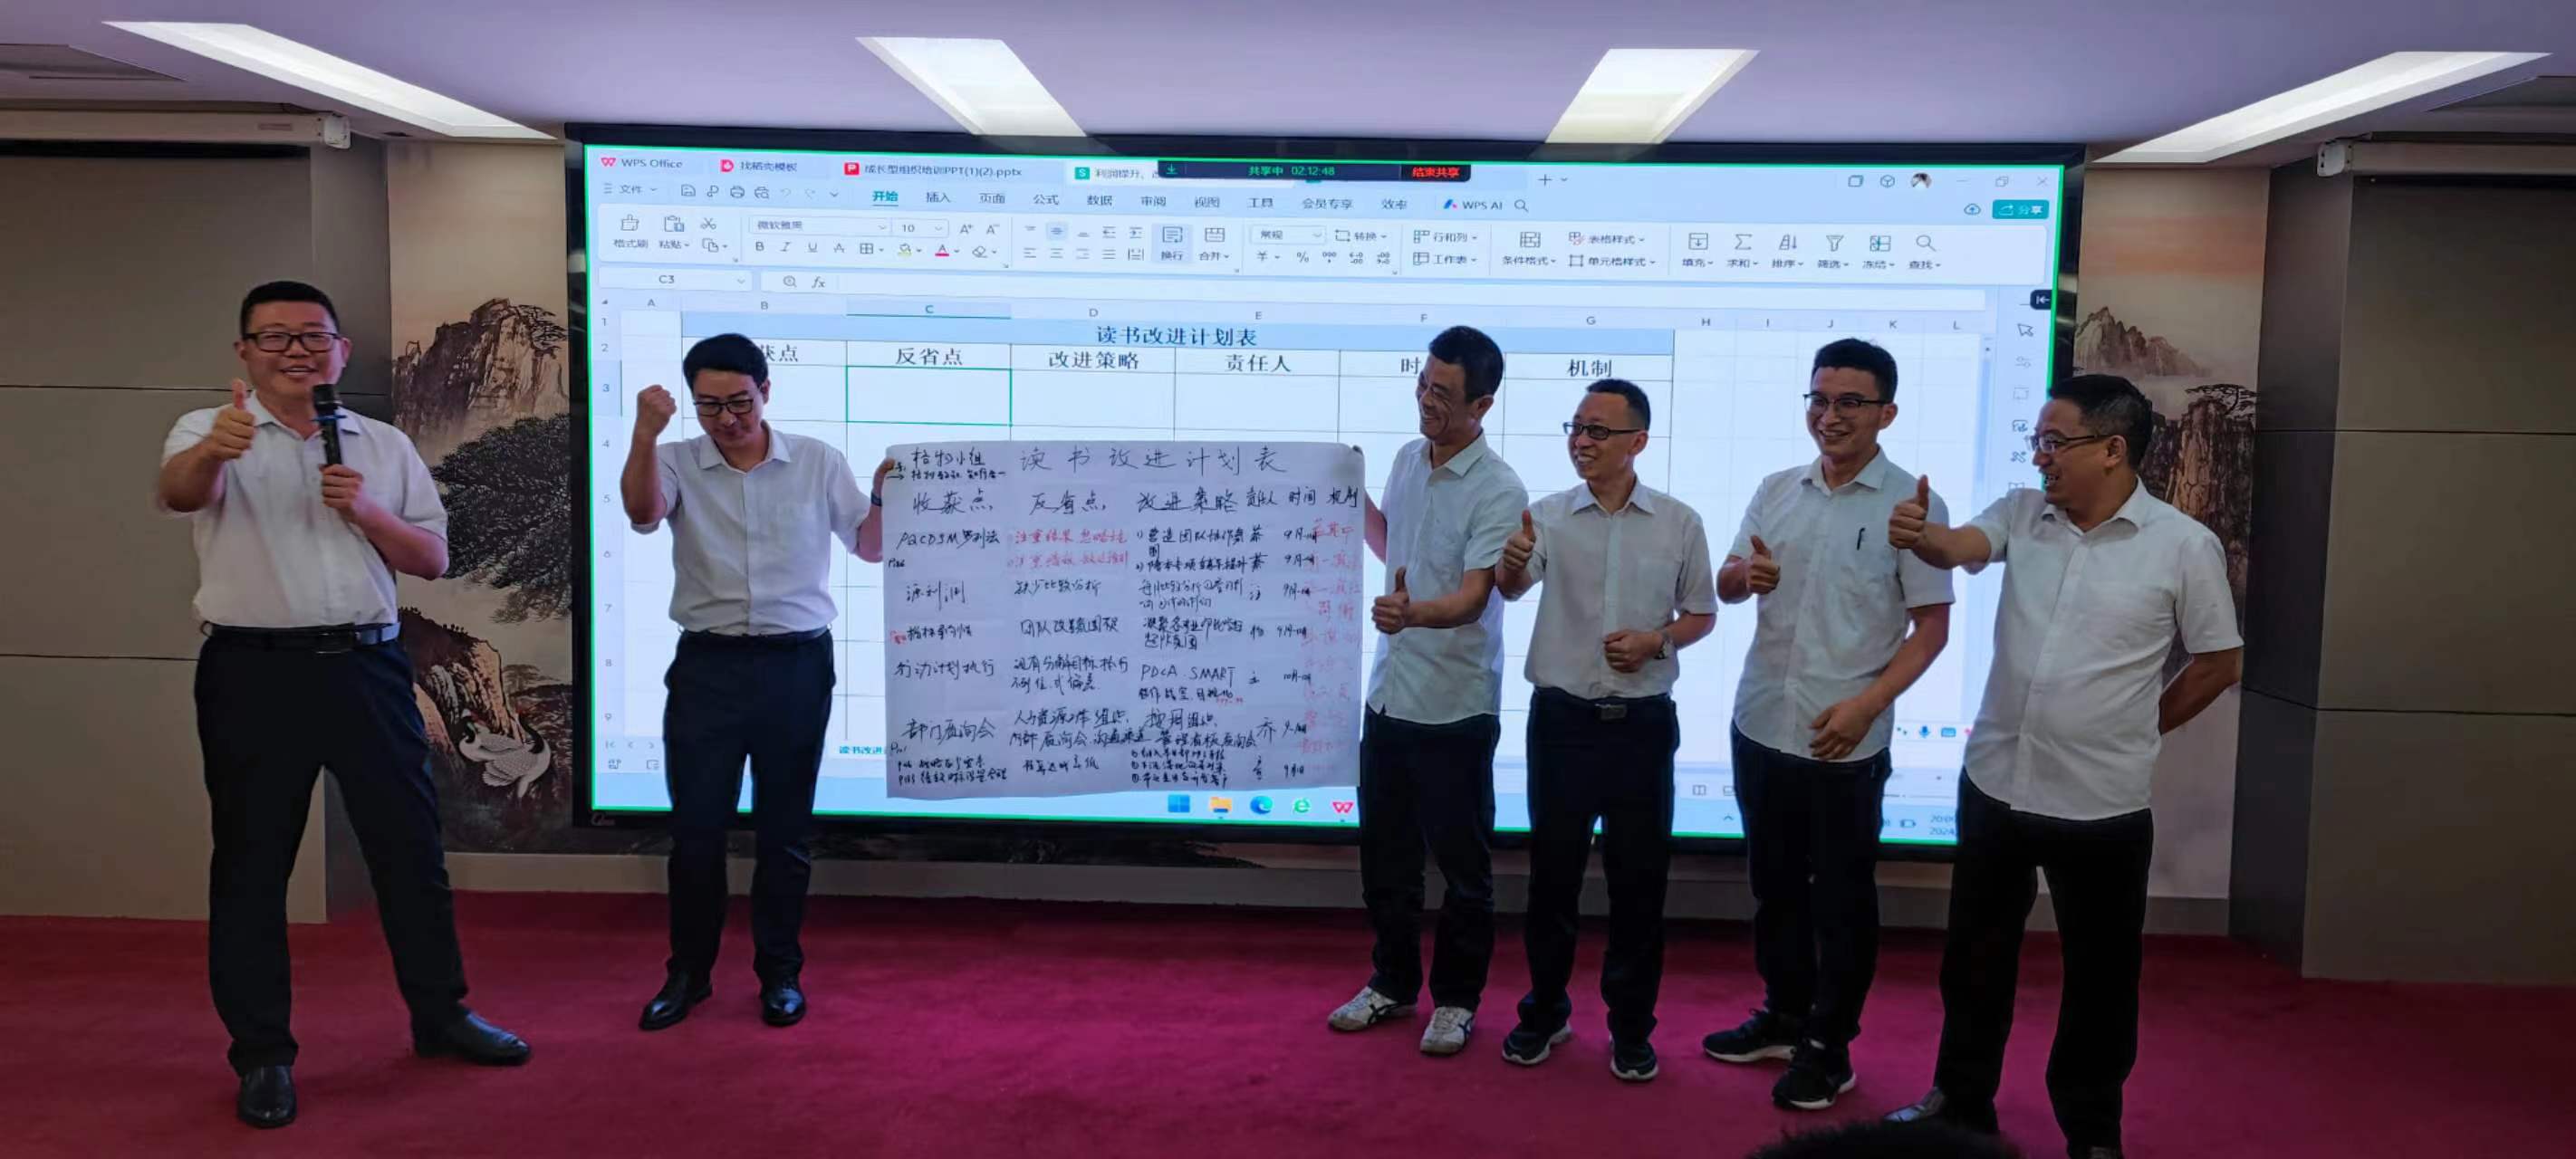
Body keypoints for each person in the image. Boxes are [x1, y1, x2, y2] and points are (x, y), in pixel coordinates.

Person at [156, 281, 529, 1129]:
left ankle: (440, 1015)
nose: (297, 350)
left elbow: (431, 559)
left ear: (341, 350)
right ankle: (262, 1054)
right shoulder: (210, 430)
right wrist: (215, 451)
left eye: (313, 336)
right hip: (253, 672)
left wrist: (364, 510)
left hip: (368, 666)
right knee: (252, 864)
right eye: (275, 337)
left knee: (410, 851)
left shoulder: (383, 445)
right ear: (244, 351)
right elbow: (179, 493)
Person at [1881, 374, 2243, 1159]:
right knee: (1974, 960)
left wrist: (2144, 724)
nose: (2039, 457)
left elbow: (2220, 661)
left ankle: (2092, 1130)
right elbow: (1959, 547)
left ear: (2112, 450)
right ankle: (1961, 1103)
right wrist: (1921, 535)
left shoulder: (2182, 545)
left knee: (2100, 980)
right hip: (1996, 784)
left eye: (2054, 442)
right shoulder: (2022, 513)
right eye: (2036, 441)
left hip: (2101, 803)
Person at [1706, 339, 1953, 1110]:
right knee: (1773, 887)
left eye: (1850, 402)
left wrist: (1866, 708)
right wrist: (1743, 577)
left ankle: (1829, 1046)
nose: (1830, 415)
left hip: (1844, 738)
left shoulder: (1909, 506)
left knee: (1841, 902)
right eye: (1818, 399)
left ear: (1887, 412)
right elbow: (1726, 582)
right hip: (1761, 722)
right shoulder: (1777, 489)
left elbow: (1932, 629)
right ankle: (1784, 1015)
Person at [622, 333, 877, 1032]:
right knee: (696, 834)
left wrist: (890, 493)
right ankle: (689, 973)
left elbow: (872, 546)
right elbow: (642, 515)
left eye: (739, 402)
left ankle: (780, 973)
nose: (727, 419)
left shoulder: (817, 461)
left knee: (784, 833)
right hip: (708, 668)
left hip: (797, 665)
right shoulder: (674, 459)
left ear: (766, 391)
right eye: (708, 406)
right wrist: (645, 433)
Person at [1495, 378, 1717, 1082]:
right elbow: (1513, 587)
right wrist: (1508, 564)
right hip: (1561, 724)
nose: (1581, 441)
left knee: (1638, 886)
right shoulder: (1548, 516)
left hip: (1641, 728)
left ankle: (1630, 1029)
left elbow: (1702, 614)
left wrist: (1657, 641)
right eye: (1576, 428)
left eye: (1597, 430)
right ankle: (1545, 1012)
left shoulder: (1678, 522)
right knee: (1552, 881)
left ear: (1637, 441)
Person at [1328, 325, 1528, 1057]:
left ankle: (1457, 1000)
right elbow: (1397, 551)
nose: (1426, 401)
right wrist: (1349, 498)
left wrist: (1412, 615)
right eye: (1422, 384)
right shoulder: (1409, 460)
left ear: (1482, 405)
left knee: (1463, 872)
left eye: (1442, 393)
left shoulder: (1499, 489)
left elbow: (1475, 597)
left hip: (1455, 708)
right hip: (1389, 700)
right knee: (1386, 862)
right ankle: (1391, 982)